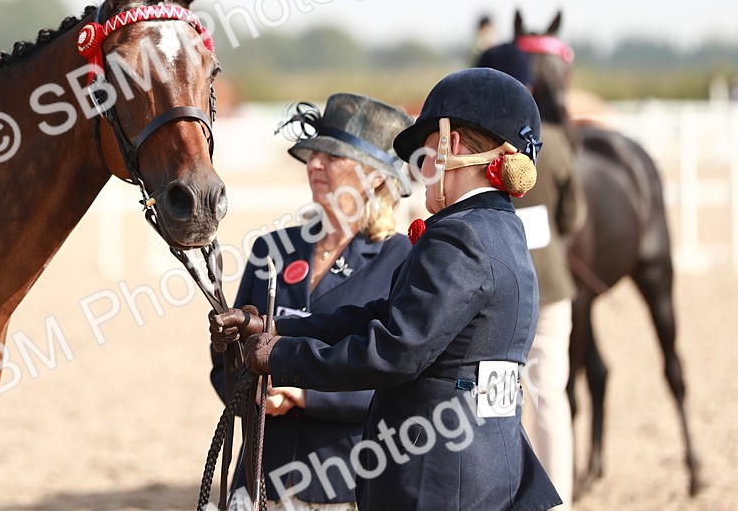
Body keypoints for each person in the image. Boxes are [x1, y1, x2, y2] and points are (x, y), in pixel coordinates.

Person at [211, 68, 561, 511]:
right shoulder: (502, 228)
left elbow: (395, 349)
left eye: (426, 153)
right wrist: (274, 325)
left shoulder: (459, 236)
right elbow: (379, 315)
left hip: (439, 482)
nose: (421, 171)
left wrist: (280, 357)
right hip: (488, 469)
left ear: (451, 146)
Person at [210, 93, 414, 510]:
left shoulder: (402, 259)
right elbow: (225, 366)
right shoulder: (271, 248)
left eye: (333, 157)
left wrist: (304, 395)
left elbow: (398, 377)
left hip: (345, 483)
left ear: (375, 177)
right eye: (313, 155)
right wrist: (251, 390)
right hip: (258, 477)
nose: (315, 165)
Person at [477, 43, 585, 510]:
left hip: (492, 289)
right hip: (551, 287)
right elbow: (573, 217)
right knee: (551, 400)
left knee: (488, 402)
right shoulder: (557, 142)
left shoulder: (478, 145)